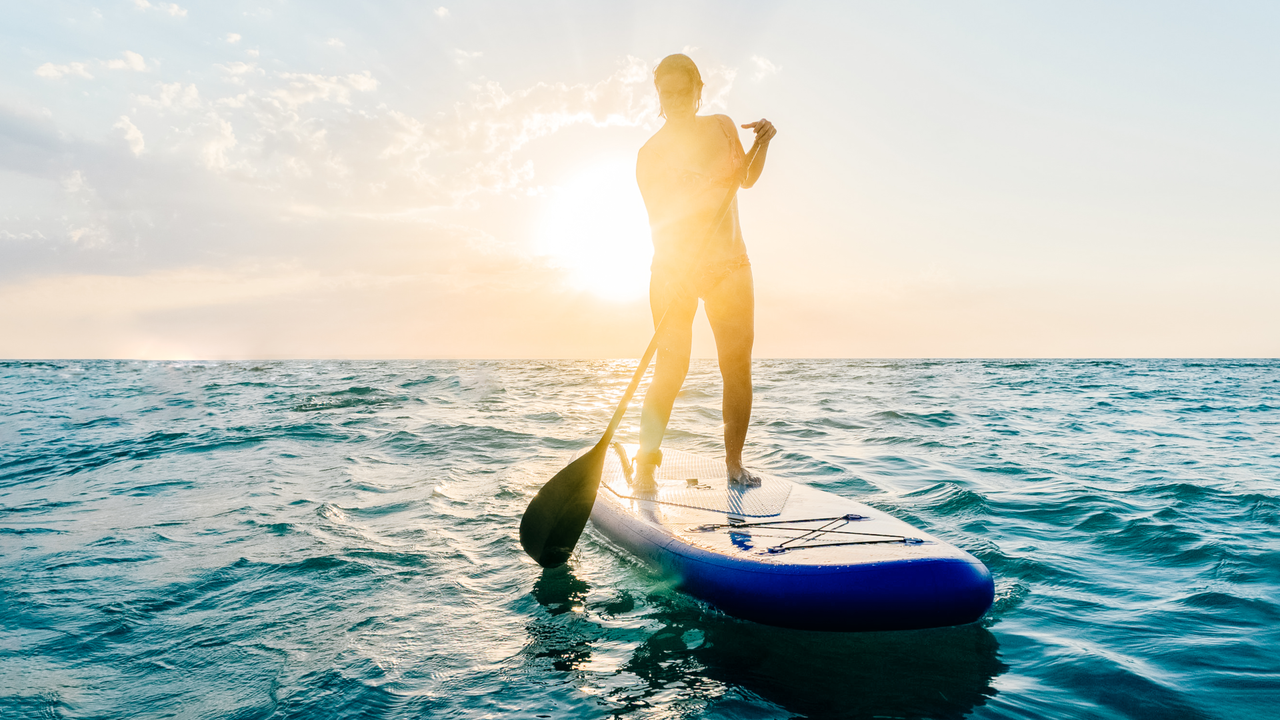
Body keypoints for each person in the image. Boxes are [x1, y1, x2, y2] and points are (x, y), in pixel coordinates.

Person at [632, 53, 776, 492]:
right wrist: (676, 270)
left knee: (737, 368)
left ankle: (733, 464)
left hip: (731, 266)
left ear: (698, 89)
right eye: (665, 93)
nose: (674, 100)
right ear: (658, 95)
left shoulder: (721, 127)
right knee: (671, 369)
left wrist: (762, 143)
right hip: (675, 268)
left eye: (682, 91)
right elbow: (660, 221)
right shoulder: (651, 154)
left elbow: (745, 180)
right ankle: (645, 466)